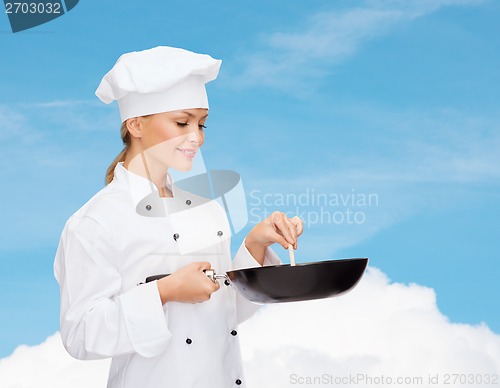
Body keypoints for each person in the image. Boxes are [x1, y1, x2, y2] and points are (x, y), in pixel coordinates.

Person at [54, 46, 303, 388]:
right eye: (182, 122)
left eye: (201, 124)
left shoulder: (207, 211)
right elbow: (81, 334)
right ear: (136, 124)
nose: (197, 137)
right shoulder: (96, 222)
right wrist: (164, 292)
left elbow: (225, 313)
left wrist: (256, 243)